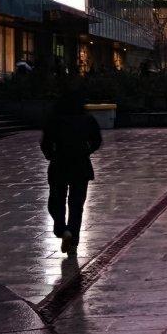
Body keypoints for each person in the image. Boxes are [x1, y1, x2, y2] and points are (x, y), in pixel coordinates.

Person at [40, 90, 102, 256]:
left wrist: (50, 155)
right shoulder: (87, 120)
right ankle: (73, 241)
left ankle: (62, 229)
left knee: (56, 201)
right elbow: (97, 141)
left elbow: (45, 143)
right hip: (81, 165)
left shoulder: (54, 120)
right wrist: (87, 150)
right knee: (76, 205)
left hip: (59, 164)